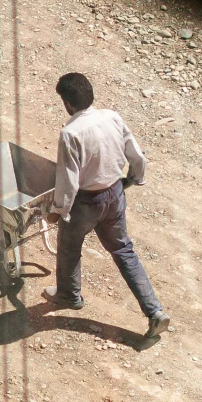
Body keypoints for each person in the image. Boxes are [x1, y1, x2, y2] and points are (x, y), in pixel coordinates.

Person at [47, 72, 170, 335]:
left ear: (67, 103)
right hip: (115, 195)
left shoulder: (70, 133)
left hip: (86, 202)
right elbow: (137, 156)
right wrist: (133, 179)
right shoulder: (112, 116)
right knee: (124, 251)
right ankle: (154, 311)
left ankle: (69, 295)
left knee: (69, 247)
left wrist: (58, 211)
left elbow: (68, 181)